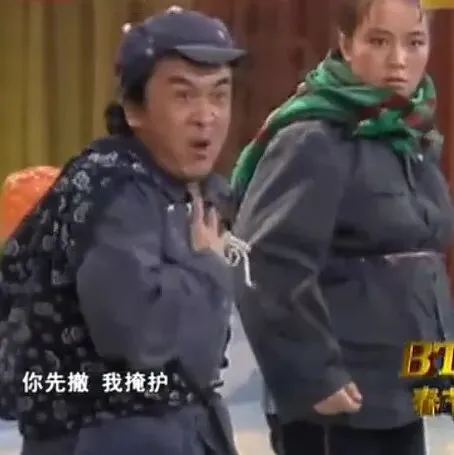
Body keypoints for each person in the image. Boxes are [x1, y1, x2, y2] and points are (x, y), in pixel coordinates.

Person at [0, 7, 246, 455]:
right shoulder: (113, 192)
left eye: (219, 94)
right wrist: (206, 267)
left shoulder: (186, 188)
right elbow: (138, 336)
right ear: (134, 108)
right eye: (183, 95)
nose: (206, 116)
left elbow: (199, 353)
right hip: (110, 436)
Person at [230, 0, 454, 454]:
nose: (399, 60)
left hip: (404, 392)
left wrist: (439, 378)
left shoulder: (407, 134)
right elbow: (265, 264)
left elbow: (417, 268)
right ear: (346, 44)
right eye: (379, 41)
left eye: (415, 42)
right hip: (342, 400)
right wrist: (314, 377)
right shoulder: (313, 138)